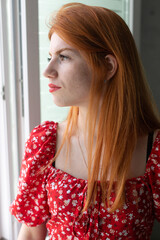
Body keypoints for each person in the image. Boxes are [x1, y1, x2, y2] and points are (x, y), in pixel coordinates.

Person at [10, 2, 160, 240]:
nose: (48, 70)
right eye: (50, 56)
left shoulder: (154, 151)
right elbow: (30, 233)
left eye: (64, 57)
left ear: (108, 66)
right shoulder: (45, 144)